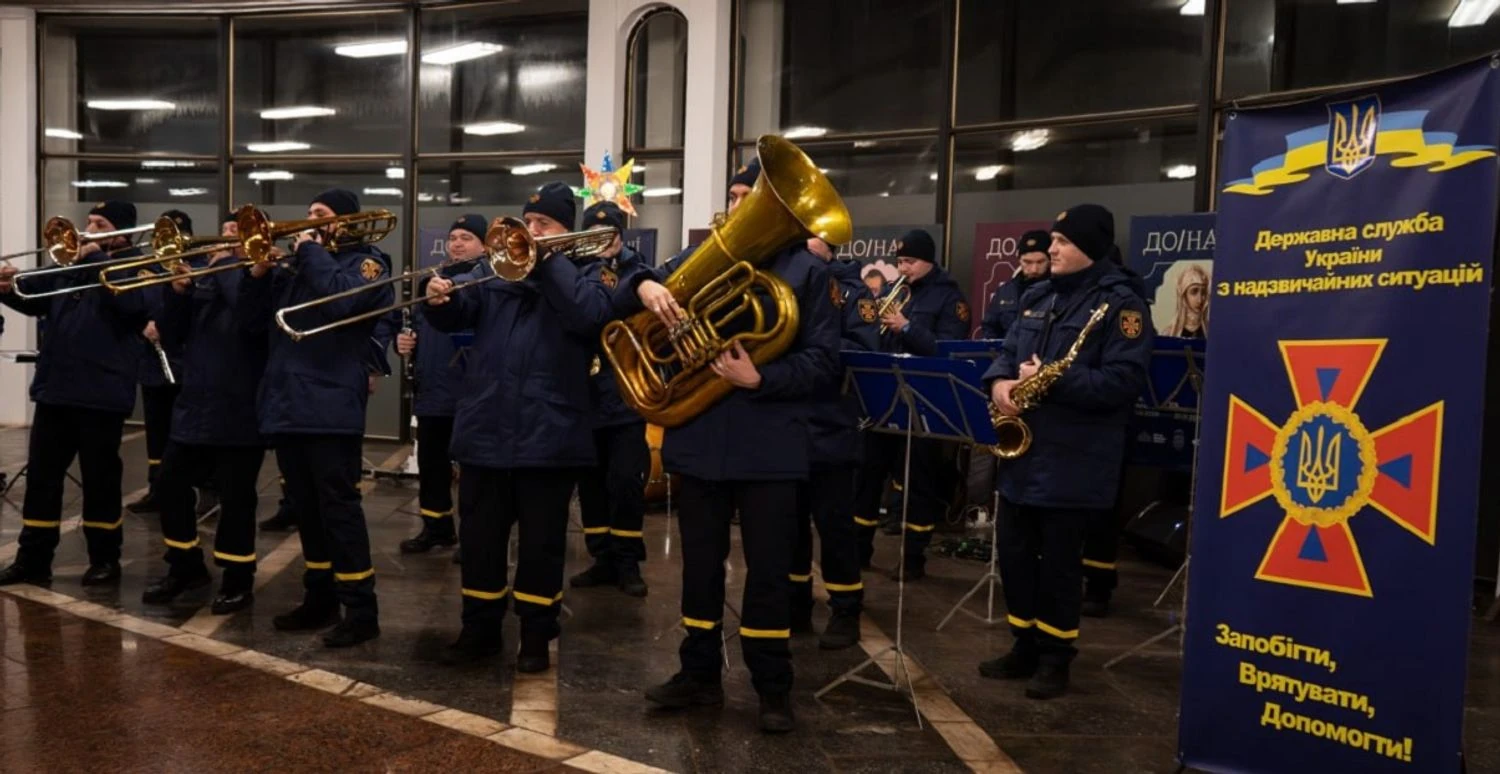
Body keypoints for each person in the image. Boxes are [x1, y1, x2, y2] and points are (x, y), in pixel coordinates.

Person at [631, 157, 840, 734]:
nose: (740, 202)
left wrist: (761, 379)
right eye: (736, 192)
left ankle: (773, 686)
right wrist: (644, 283)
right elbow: (635, 283)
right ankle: (698, 676)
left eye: (752, 193)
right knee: (699, 569)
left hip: (771, 447)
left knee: (770, 572)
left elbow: (826, 365)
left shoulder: (808, 273)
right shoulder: (699, 260)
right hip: (700, 440)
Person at [424, 182, 611, 674]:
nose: (530, 232)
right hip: (486, 425)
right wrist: (438, 300)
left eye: (542, 226)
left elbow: (588, 316)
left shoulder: (587, 272)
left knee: (542, 547)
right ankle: (479, 629)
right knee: (481, 540)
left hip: (550, 434)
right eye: (527, 225)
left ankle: (534, 634)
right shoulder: (491, 273)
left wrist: (547, 261)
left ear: (564, 231)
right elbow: (459, 314)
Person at [978, 204, 1152, 699]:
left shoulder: (1123, 307)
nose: (1050, 249)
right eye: (1052, 241)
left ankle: (1056, 657)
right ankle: (1024, 644)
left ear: (1089, 248)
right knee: (1014, 555)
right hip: (1023, 456)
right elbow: (1004, 355)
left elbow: (1123, 382)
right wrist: (1000, 384)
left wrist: (1054, 380)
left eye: (1061, 242)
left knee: (1058, 564)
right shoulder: (1035, 296)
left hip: (1075, 457)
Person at [239, 188, 391, 648]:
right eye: (307, 213)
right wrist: (259, 273)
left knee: (339, 511)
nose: (307, 221)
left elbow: (343, 303)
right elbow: (251, 325)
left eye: (319, 214)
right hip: (288, 404)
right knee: (305, 511)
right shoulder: (297, 266)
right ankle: (319, 597)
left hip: (329, 406)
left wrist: (308, 251)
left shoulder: (367, 263)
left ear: (345, 221)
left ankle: (361, 609)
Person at [0, 200, 149, 586]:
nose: (87, 228)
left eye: (100, 223)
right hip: (56, 389)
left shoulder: (136, 266)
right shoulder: (68, 265)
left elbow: (133, 307)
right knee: (42, 480)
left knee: (100, 480)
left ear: (122, 232)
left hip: (102, 393)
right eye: (90, 221)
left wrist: (98, 258)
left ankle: (104, 559)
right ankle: (32, 560)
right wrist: (6, 287)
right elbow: (35, 299)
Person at [141, 211, 267, 613]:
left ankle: (237, 576)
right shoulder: (202, 280)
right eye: (225, 232)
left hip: (242, 406)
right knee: (169, 485)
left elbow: (252, 321)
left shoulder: (263, 277)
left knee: (237, 497)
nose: (224, 240)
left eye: (235, 234)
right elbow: (171, 335)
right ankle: (185, 564)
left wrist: (228, 265)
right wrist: (176, 293)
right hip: (195, 402)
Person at [853, 229, 970, 580]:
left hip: (922, 401)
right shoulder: (893, 290)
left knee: (918, 481)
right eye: (899, 261)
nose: (903, 268)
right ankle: (859, 550)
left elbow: (948, 348)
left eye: (910, 261)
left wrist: (906, 327)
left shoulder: (950, 298)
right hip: (886, 396)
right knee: (868, 475)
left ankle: (914, 558)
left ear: (929, 261)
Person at [789, 235, 877, 650]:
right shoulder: (788, 279)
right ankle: (796, 602)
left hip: (831, 423)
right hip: (787, 420)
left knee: (835, 525)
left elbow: (863, 348)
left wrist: (810, 343)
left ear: (827, 244)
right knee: (789, 525)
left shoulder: (851, 290)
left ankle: (846, 609)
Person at [568, 201, 653, 597]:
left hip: (624, 395)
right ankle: (601, 557)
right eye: (595, 235)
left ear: (621, 236)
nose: (604, 242)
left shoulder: (639, 271)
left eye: (611, 234)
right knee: (590, 485)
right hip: (583, 397)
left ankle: (628, 561)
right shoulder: (569, 271)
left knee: (625, 482)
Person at [395, 214, 487, 555]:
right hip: (433, 391)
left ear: (485, 244)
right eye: (453, 237)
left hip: (471, 393)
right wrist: (402, 342)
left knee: (474, 475)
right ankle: (437, 528)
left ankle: (473, 538)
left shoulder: (489, 280)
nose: (457, 243)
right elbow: (416, 326)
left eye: (466, 237)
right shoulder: (430, 282)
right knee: (432, 467)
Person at [126, 210, 192, 516]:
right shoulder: (146, 267)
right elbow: (135, 303)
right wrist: (143, 325)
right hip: (152, 359)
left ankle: (191, 488)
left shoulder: (194, 267)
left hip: (185, 360)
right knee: (156, 428)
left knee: (184, 429)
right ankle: (157, 489)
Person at [979, 230, 1051, 340]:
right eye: (1027, 262)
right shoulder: (1005, 291)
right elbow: (989, 328)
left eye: (1040, 262)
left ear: (1050, 259)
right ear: (1019, 259)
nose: (1034, 269)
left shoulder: (1060, 290)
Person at [1163, 263, 1209, 339]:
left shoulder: (1211, 333)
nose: (1200, 299)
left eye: (1203, 293)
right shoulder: (1169, 333)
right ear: (1184, 295)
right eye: (1194, 292)